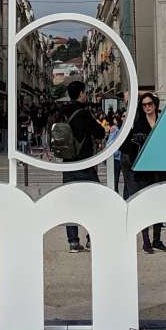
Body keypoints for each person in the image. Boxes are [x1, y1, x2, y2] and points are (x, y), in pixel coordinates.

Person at [120, 93, 166, 254]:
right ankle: (146, 241)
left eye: (150, 104)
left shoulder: (163, 120)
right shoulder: (138, 123)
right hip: (143, 170)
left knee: (159, 205)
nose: (147, 107)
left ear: (155, 104)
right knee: (145, 205)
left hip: (161, 168)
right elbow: (127, 146)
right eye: (144, 105)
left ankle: (157, 239)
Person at [58, 81, 106, 253]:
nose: (86, 95)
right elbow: (100, 132)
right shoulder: (83, 113)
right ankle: (91, 238)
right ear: (80, 93)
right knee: (94, 201)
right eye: (85, 92)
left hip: (67, 163)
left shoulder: (61, 112)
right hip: (85, 163)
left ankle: (72, 242)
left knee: (70, 203)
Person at [105, 114, 122, 193]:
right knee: (115, 181)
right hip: (117, 158)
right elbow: (109, 144)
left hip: (120, 157)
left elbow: (109, 144)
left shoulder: (116, 129)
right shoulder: (116, 129)